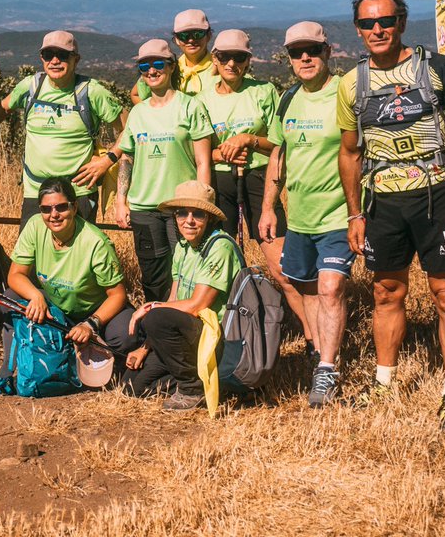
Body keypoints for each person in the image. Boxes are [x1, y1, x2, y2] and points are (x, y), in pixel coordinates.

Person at [337, 0, 445, 428]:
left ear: (401, 22)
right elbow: (350, 153)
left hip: (437, 194)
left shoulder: (438, 69)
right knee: (386, 292)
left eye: (386, 21)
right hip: (382, 201)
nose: (377, 29)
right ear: (359, 29)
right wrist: (355, 213)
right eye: (368, 23)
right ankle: (384, 385)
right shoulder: (352, 83)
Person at [199, 28, 313, 354]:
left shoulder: (263, 92)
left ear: (249, 60)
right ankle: (223, 335)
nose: (232, 63)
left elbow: (278, 144)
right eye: (224, 57)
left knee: (283, 267)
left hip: (259, 182)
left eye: (240, 57)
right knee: (216, 264)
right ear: (215, 59)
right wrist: (224, 153)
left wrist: (249, 141)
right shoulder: (202, 99)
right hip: (218, 183)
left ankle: (312, 338)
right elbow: (198, 150)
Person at [259, 22, 354, 407]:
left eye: (312, 50)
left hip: (339, 215)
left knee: (331, 287)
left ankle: (327, 372)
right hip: (298, 217)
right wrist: (268, 206)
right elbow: (278, 157)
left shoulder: (345, 92)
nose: (305, 58)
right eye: (297, 52)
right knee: (309, 289)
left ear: (327, 52)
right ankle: (319, 359)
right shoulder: (288, 100)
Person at [122, 181, 241, 410]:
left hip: (214, 337)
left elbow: (198, 305)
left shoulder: (220, 247)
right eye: (181, 213)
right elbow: (174, 301)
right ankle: (200, 379)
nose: (189, 220)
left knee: (156, 317)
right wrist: (145, 348)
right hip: (185, 336)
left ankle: (192, 389)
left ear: (210, 218)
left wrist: (151, 307)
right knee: (132, 385)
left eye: (198, 214)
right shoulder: (183, 247)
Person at [115, 39, 214, 301]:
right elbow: (127, 157)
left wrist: (201, 204)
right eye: (144, 66)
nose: (151, 70)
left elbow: (203, 161)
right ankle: (157, 332)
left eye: (158, 64)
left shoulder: (191, 107)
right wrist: (120, 200)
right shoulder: (137, 113)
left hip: (180, 208)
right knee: (154, 276)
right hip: (144, 208)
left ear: (171, 67)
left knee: (185, 272)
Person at [0, 31, 126, 226]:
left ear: (76, 59)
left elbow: (130, 127)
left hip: (79, 191)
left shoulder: (92, 91)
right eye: (48, 55)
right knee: (33, 253)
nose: (55, 60)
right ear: (42, 58)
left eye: (63, 55)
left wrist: (108, 160)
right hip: (36, 191)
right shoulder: (31, 86)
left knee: (79, 253)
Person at [4, 177, 134, 364]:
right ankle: (12, 364)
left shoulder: (96, 242)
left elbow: (118, 295)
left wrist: (91, 324)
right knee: (10, 298)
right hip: (57, 307)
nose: (54, 214)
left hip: (95, 311)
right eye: (46, 209)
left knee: (124, 335)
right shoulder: (34, 226)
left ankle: (97, 355)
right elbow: (15, 275)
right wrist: (36, 296)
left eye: (61, 207)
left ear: (74, 207)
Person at [131, 9, 217, 103]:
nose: (191, 40)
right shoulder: (167, 68)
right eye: (184, 36)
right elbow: (136, 94)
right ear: (176, 40)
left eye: (198, 34)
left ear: (209, 35)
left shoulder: (220, 68)